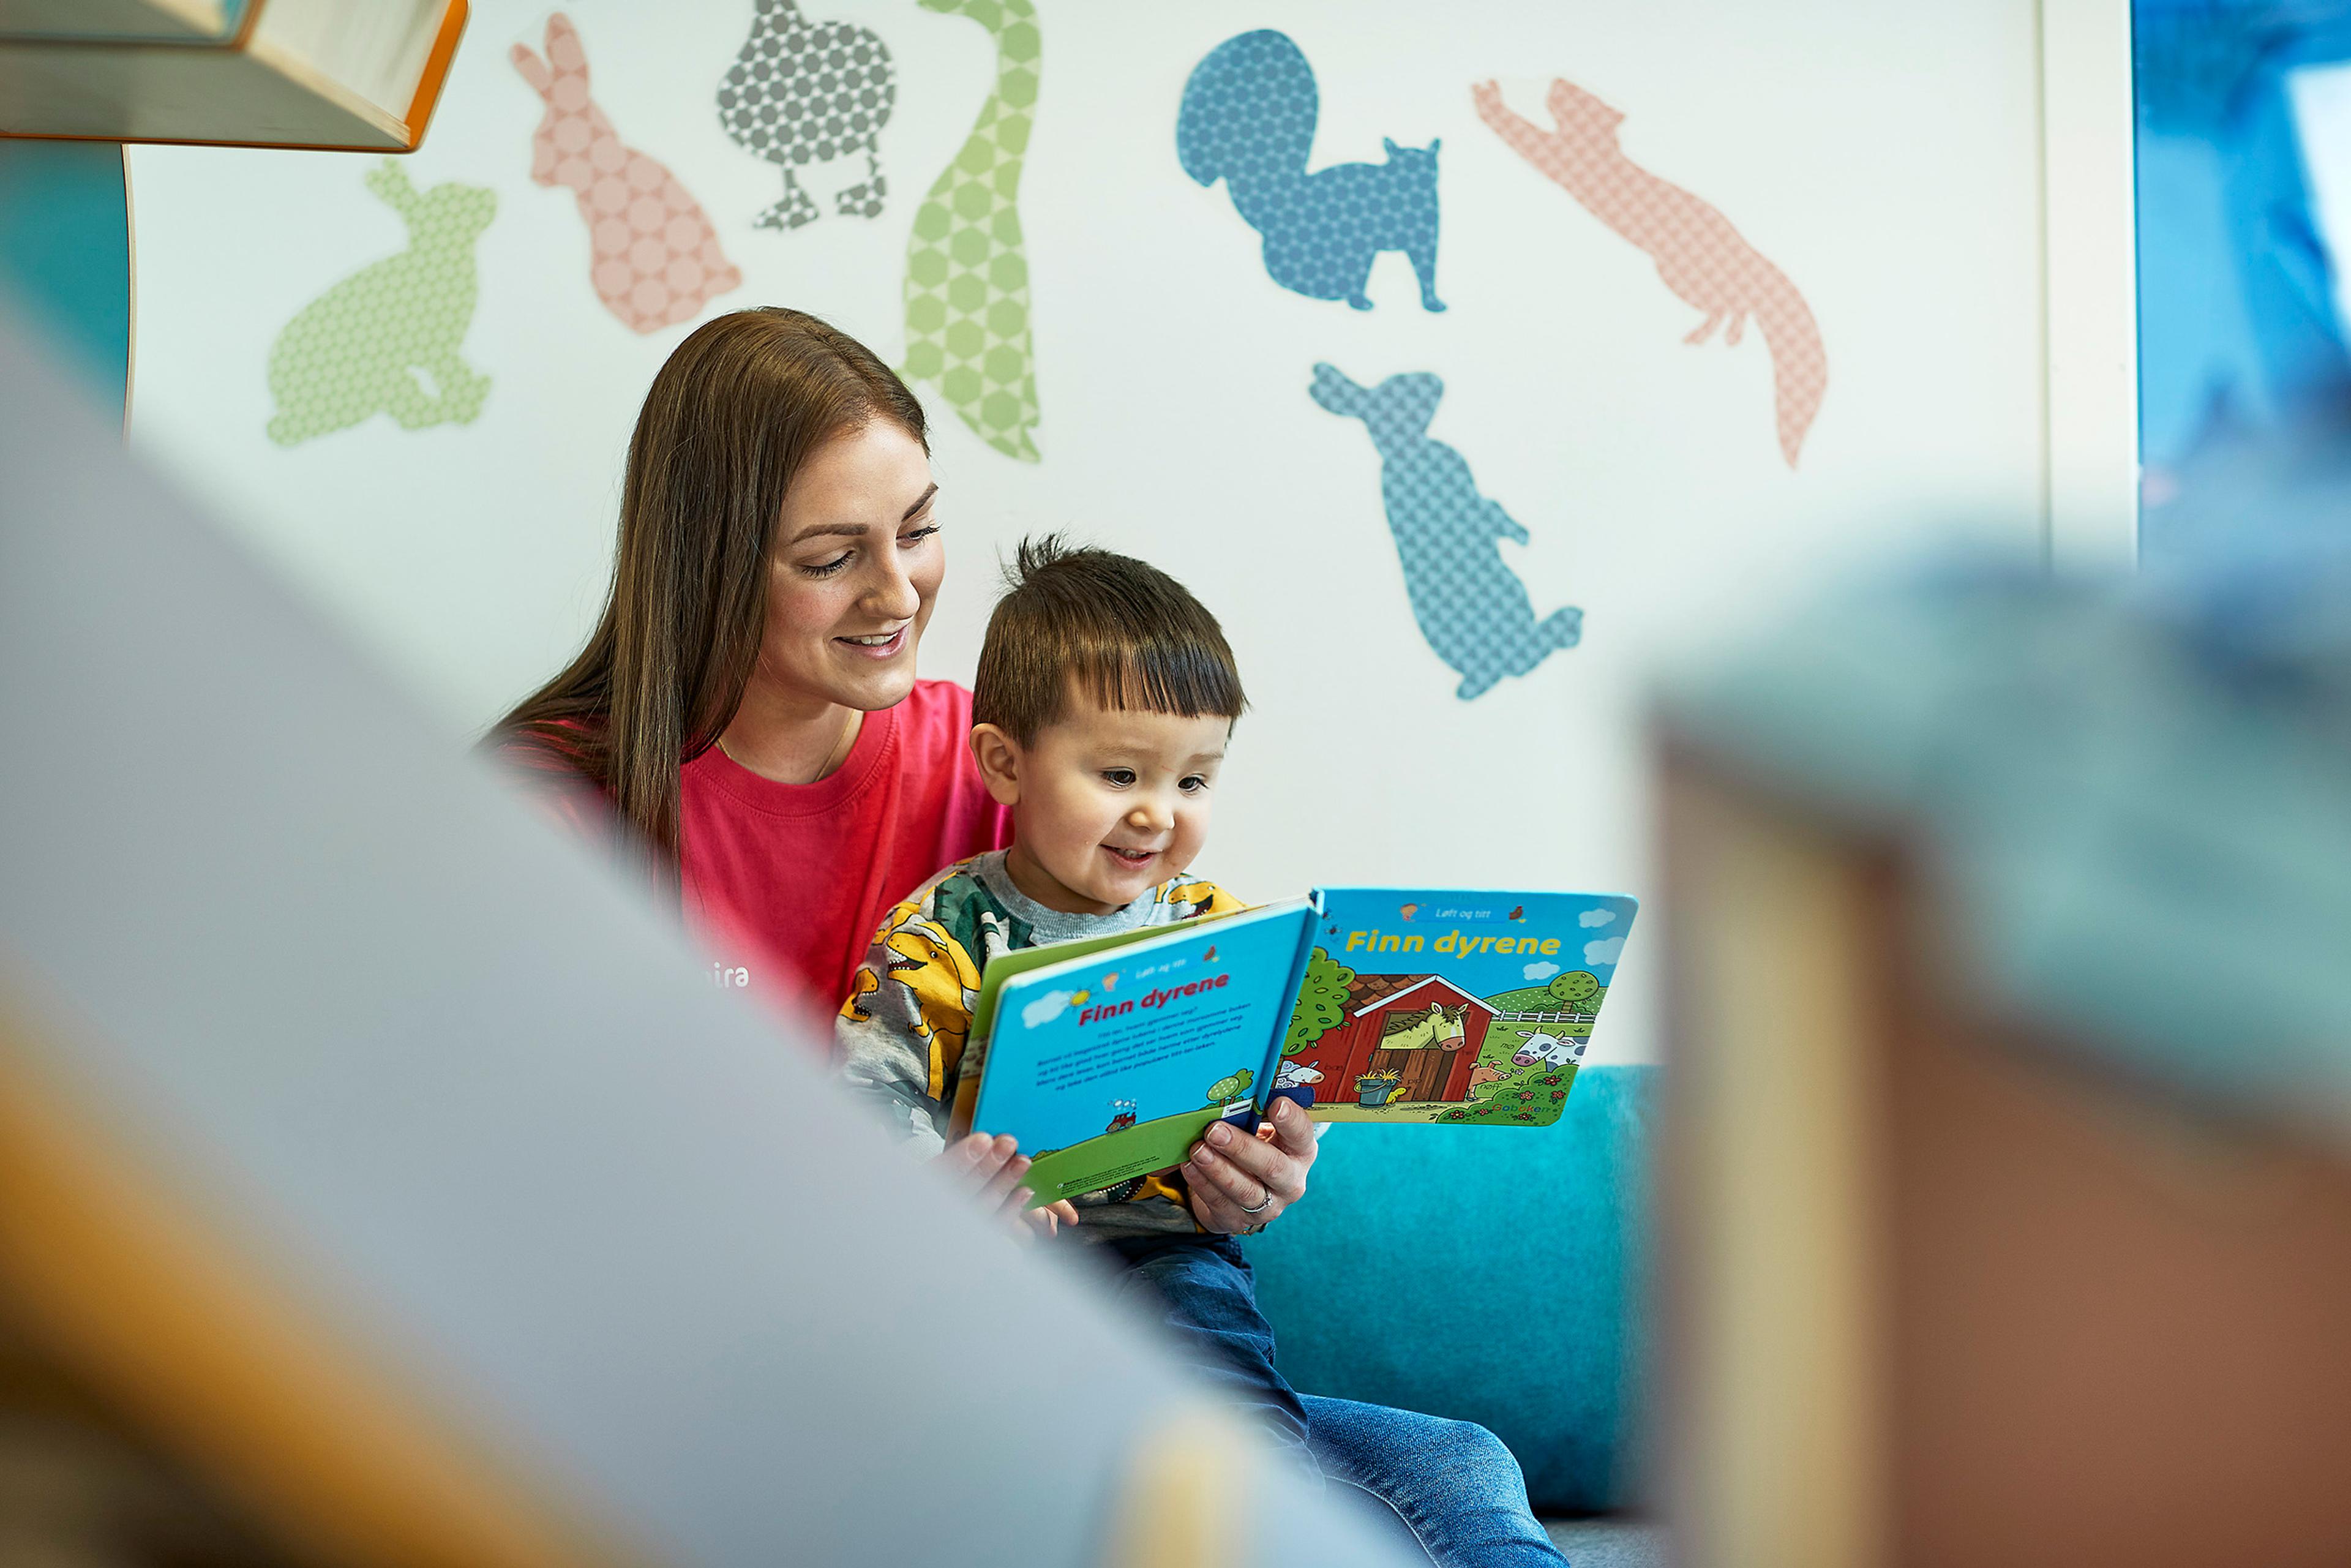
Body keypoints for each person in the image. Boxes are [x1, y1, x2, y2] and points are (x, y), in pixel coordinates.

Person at [495, 307, 1567, 1565]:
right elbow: (531, 1210)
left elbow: (1191, 993)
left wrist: (1250, 1164)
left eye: (920, 528)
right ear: (714, 562)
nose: (899, 593)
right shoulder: (560, 809)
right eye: (831, 556)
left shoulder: (1010, 758)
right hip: (768, 1389)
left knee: (1450, 1469)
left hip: (1062, 1339)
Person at [835, 535, 1334, 1465]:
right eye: (1120, 774)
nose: (1158, 812)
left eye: (1193, 779)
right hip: (988, 1272)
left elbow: (1276, 1096)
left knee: (1244, 1425)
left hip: (1168, 1255)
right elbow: (865, 1100)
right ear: (1005, 764)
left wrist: (1271, 1156)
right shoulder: (941, 934)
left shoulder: (1217, 932)